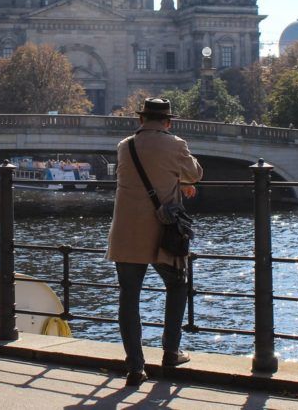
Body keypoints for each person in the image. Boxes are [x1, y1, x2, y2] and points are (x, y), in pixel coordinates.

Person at [106, 97, 202, 386]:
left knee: (128, 296)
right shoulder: (175, 144)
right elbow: (195, 173)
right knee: (177, 285)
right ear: (168, 122)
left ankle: (135, 366)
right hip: (164, 233)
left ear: (141, 120)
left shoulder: (125, 147)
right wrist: (181, 182)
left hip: (126, 232)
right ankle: (171, 350)